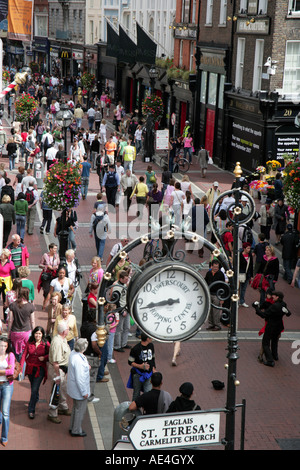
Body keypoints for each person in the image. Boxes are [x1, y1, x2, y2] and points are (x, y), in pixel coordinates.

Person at [253, 291, 291, 367]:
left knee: (265, 343)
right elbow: (288, 313)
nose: (272, 297)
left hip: (271, 327)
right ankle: (275, 355)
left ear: (277, 297)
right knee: (274, 341)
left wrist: (256, 308)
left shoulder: (275, 306)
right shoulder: (283, 304)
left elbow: (264, 315)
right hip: (279, 327)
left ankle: (270, 360)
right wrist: (286, 312)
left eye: (274, 296)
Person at [20, 326, 50, 419]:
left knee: (34, 389)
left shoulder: (46, 344)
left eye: (40, 333)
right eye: (36, 333)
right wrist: (21, 369)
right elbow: (24, 355)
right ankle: (35, 398)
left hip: (40, 369)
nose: (38, 335)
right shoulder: (29, 342)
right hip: (30, 368)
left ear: (42, 335)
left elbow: (51, 354)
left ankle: (31, 409)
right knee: (33, 386)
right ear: (33, 334)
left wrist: (44, 358)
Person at [47, 321, 71, 424]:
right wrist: (57, 376)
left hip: (63, 370)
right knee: (56, 392)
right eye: (68, 329)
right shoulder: (57, 342)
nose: (69, 330)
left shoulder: (63, 339)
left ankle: (63, 407)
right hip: (58, 370)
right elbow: (56, 362)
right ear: (64, 331)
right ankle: (52, 414)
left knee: (62, 389)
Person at [67, 338, 90, 437]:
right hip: (79, 390)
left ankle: (73, 427)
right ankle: (76, 430)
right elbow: (80, 378)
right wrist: (84, 392)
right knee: (79, 410)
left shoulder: (73, 353)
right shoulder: (79, 361)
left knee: (75, 408)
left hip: (74, 388)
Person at [7, 287, 35, 362]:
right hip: (26, 332)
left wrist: (8, 333)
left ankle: (15, 368)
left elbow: (10, 320)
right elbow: (32, 321)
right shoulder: (31, 306)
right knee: (25, 354)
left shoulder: (13, 305)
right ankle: (22, 370)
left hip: (15, 332)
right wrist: (33, 332)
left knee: (14, 352)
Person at [80, 310, 102, 400]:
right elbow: (94, 345)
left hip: (84, 353)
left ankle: (83, 393)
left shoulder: (83, 326)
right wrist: (99, 352)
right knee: (92, 377)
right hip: (92, 356)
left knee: (84, 376)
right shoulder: (94, 330)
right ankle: (90, 396)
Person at [128, 333, 156, 401]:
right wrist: (140, 366)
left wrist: (153, 369)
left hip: (149, 374)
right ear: (147, 339)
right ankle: (135, 410)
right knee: (136, 394)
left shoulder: (151, 346)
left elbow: (153, 358)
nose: (152, 339)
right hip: (138, 375)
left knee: (148, 394)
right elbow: (130, 362)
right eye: (151, 337)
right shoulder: (135, 349)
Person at [0, 336, 15, 446]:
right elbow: (7, 370)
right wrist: (5, 370)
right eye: (1, 345)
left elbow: (11, 371)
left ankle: (4, 437)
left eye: (5, 346)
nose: (2, 348)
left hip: (7, 386)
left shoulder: (10, 355)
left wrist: (4, 371)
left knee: (5, 412)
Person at [111, 271, 130, 352]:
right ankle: (117, 345)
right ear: (121, 279)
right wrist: (121, 311)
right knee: (119, 329)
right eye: (126, 279)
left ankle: (124, 343)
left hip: (126, 308)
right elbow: (116, 301)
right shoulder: (117, 288)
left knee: (127, 327)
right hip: (121, 310)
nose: (127, 280)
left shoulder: (125, 284)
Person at [38, 243, 60, 310]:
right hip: (46, 275)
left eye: (56, 248)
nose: (55, 250)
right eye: (54, 248)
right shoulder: (45, 255)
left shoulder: (56, 256)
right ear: (50, 249)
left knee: (53, 290)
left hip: (54, 275)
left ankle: (51, 305)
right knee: (47, 290)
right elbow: (40, 265)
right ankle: (45, 302)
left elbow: (59, 264)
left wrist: (55, 267)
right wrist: (47, 266)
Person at [204, 260, 225, 331]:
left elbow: (223, 286)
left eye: (217, 267)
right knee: (209, 310)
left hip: (217, 295)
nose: (216, 268)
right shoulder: (208, 273)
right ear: (211, 266)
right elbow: (205, 282)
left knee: (216, 311)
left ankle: (217, 325)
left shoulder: (220, 274)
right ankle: (211, 324)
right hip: (209, 294)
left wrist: (222, 298)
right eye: (215, 267)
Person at [0, 249, 16, 323]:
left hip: (6, 283)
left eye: (2, 254)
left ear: (6, 256)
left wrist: (14, 285)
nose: (1, 256)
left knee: (5, 300)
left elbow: (13, 275)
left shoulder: (10, 263)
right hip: (0, 281)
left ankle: (5, 317)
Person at [239, 242, 254, 308]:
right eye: (248, 248)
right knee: (238, 289)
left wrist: (251, 275)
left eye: (249, 248)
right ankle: (236, 302)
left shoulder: (250, 255)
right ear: (244, 248)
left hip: (247, 274)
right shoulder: (239, 255)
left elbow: (251, 265)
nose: (249, 249)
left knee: (244, 289)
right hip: (240, 274)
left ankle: (242, 301)